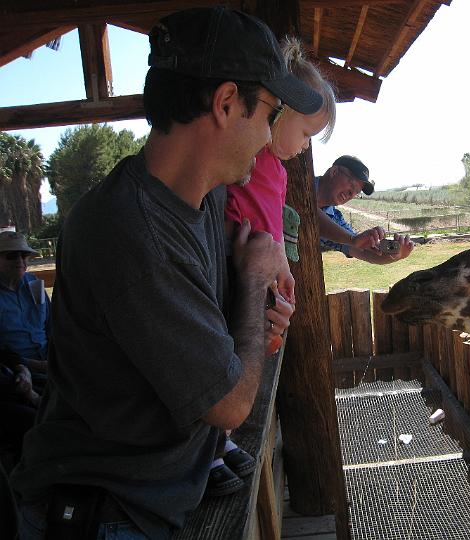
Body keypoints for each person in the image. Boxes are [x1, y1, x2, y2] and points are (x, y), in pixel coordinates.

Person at [10, 7, 322, 540]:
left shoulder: (203, 201)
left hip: (157, 495)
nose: (270, 135)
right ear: (226, 103)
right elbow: (229, 403)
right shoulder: (129, 230)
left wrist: (263, 255)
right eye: (269, 111)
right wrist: (250, 287)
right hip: (104, 514)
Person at [209, 36, 334, 498]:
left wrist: (283, 273)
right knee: (220, 351)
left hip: (257, 275)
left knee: (251, 347)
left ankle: (219, 441)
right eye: (304, 134)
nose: (304, 148)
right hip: (231, 274)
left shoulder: (276, 171)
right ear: (277, 112)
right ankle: (210, 446)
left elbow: (276, 234)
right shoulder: (245, 161)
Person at [0, 232, 47, 465]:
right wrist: (30, 366)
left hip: (49, 357)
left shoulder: (34, 286)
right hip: (19, 367)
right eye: (11, 256)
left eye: (24, 255)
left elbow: (54, 326)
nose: (20, 261)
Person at [316, 155, 415, 264]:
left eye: (356, 193)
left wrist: (396, 255)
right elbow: (310, 214)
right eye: (352, 186)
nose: (351, 194)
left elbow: (363, 251)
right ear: (334, 172)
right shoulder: (298, 183)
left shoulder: (334, 219)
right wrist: (352, 240)